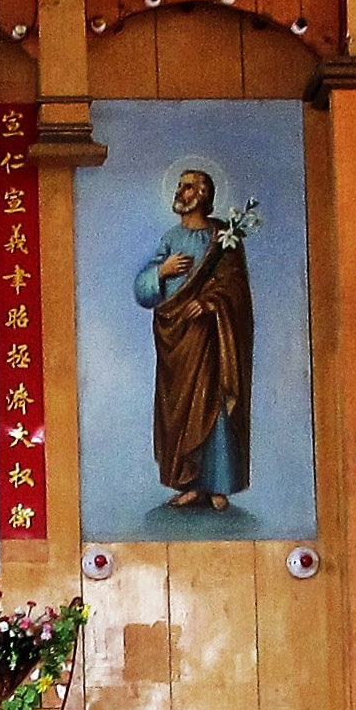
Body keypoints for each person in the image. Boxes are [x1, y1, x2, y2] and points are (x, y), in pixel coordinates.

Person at [133, 164, 252, 511]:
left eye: (187, 188)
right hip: (176, 338)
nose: (180, 194)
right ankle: (188, 483)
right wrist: (161, 271)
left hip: (213, 338)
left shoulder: (223, 238)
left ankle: (218, 484)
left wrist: (209, 302)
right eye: (179, 187)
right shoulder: (171, 239)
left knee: (214, 406)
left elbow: (236, 288)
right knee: (179, 412)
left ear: (202, 195)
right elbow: (143, 291)